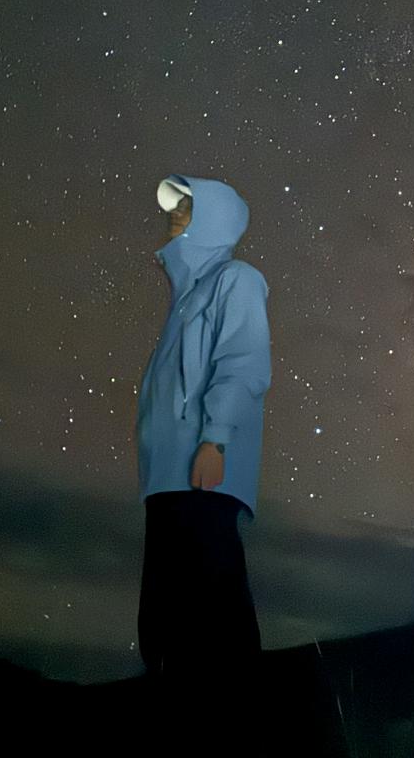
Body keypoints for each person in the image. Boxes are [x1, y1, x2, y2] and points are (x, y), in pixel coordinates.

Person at [135, 174, 272, 750]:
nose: (176, 214)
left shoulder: (235, 280)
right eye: (173, 206)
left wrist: (215, 440)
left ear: (215, 216)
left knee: (213, 606)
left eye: (187, 206)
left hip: (202, 471)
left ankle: (241, 728)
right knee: (164, 611)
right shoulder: (185, 298)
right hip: (167, 476)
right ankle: (178, 724)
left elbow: (243, 362)